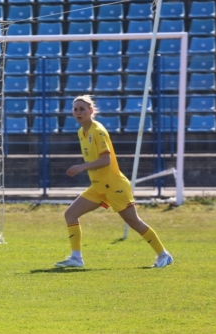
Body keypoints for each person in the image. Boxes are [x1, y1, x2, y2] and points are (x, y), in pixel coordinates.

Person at [55, 95, 173, 268]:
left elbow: (106, 160)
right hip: (98, 187)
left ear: (91, 111)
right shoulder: (81, 132)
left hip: (115, 186)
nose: (78, 112)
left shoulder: (98, 131)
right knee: (70, 214)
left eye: (82, 109)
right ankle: (76, 258)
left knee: (133, 221)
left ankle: (164, 255)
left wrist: (82, 167)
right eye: (75, 109)